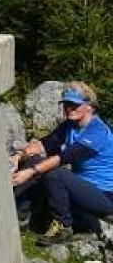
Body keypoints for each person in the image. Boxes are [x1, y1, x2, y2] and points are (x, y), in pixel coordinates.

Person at [11, 82, 113, 246]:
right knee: (36, 160)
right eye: (66, 105)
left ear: (89, 107)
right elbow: (44, 144)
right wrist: (19, 156)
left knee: (54, 174)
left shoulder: (97, 131)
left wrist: (30, 172)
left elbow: (65, 157)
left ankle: (63, 227)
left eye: (74, 105)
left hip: (104, 195)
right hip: (81, 188)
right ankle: (19, 217)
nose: (69, 109)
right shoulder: (70, 126)